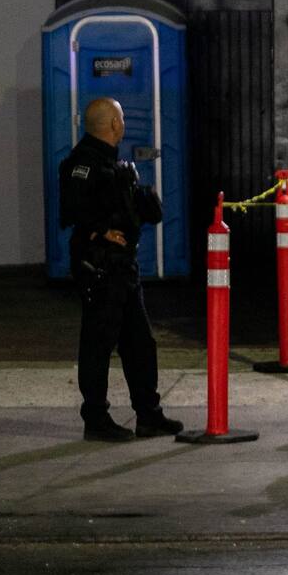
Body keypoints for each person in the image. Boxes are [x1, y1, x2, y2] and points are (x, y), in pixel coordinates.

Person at [59, 97, 183, 442]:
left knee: (140, 343)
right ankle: (96, 419)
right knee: (98, 344)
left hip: (124, 267)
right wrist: (99, 229)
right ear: (114, 123)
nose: (124, 123)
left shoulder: (115, 164)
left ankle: (149, 415)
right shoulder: (82, 163)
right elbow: (71, 208)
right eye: (122, 118)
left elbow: (128, 209)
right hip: (99, 267)